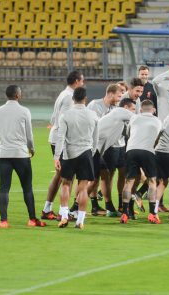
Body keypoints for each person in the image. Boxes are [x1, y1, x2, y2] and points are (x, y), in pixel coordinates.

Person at [0, 85, 46, 228]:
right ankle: (32, 219)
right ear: (18, 95)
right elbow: (29, 134)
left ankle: (3, 221)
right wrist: (31, 149)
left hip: (3, 154)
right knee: (27, 188)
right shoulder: (24, 111)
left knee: (3, 188)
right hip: (20, 154)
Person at [41, 71, 84, 220]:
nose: (83, 84)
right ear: (77, 81)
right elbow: (63, 121)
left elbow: (53, 118)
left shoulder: (63, 94)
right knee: (67, 177)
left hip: (56, 136)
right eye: (82, 81)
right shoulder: (69, 97)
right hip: (62, 139)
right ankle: (62, 212)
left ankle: (47, 209)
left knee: (60, 175)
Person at [55, 87, 99, 229]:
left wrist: (57, 156)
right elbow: (96, 138)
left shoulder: (66, 115)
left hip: (69, 154)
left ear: (73, 98)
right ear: (85, 98)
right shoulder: (93, 115)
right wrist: (90, 152)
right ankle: (80, 220)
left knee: (66, 184)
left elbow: (60, 137)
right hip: (86, 152)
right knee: (83, 188)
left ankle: (64, 215)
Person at [121, 100, 162, 224]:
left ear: (141, 110)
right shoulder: (158, 121)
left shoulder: (134, 118)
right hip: (148, 151)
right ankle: (152, 214)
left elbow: (127, 134)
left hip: (131, 150)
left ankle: (124, 214)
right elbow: (158, 137)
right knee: (152, 181)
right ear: (153, 110)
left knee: (129, 181)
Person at [86, 84, 123, 216]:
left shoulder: (115, 108)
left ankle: (105, 207)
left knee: (104, 174)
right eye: (119, 95)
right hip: (90, 147)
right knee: (92, 178)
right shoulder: (94, 105)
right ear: (111, 94)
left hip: (101, 148)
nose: (120, 98)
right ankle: (76, 205)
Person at [97, 98, 136, 217]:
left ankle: (119, 205)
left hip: (120, 146)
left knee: (120, 174)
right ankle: (78, 207)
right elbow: (138, 119)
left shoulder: (121, 114)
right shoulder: (119, 112)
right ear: (126, 108)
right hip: (108, 148)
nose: (134, 111)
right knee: (102, 177)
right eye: (133, 109)